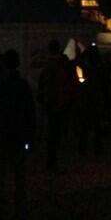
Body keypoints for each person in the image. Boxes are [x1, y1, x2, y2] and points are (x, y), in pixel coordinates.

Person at [0, 48, 36, 220]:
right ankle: (19, 205)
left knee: (0, 172)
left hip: (1, 134)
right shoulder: (23, 85)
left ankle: (0, 205)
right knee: (19, 173)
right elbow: (30, 113)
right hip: (19, 135)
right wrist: (30, 136)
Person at [37, 39, 78, 172]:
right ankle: (56, 161)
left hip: (52, 102)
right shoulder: (64, 65)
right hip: (62, 102)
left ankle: (52, 161)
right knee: (60, 133)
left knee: (52, 134)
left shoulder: (49, 66)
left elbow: (43, 84)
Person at [76, 43, 111, 158]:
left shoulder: (88, 69)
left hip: (89, 99)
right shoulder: (101, 69)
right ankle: (97, 149)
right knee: (96, 126)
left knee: (86, 127)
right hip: (97, 99)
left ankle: (84, 150)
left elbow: (79, 62)